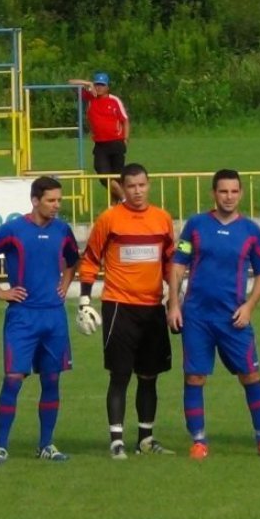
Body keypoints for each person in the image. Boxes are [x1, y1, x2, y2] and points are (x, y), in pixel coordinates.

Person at [167, 169, 260, 459]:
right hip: (197, 318)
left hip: (234, 319)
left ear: (240, 194)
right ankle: (199, 441)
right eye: (223, 191)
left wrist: (249, 306)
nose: (228, 197)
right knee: (195, 378)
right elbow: (178, 265)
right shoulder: (196, 226)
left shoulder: (250, 231)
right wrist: (174, 304)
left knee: (251, 375)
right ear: (213, 194)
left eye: (233, 191)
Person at [0, 177, 79, 465]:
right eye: (51, 200)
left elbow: (73, 261)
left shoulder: (62, 231)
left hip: (54, 317)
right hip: (22, 317)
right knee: (13, 380)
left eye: (59, 200)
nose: (56, 205)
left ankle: (46, 445)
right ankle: (0, 446)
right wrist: (0, 291)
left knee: (51, 379)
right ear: (35, 200)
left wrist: (65, 283)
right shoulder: (14, 230)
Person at [78, 163, 175, 459]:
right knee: (119, 375)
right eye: (131, 186)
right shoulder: (109, 219)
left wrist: (174, 300)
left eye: (142, 185)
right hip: (119, 306)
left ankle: (146, 438)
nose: (137, 191)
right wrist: (84, 300)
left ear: (149, 185)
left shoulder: (162, 219)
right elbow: (91, 259)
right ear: (122, 187)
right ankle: (116, 440)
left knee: (149, 376)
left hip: (153, 308)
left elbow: (170, 262)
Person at [68, 72, 130, 202]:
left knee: (116, 178)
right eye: (97, 85)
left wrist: (125, 139)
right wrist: (88, 84)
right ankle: (124, 199)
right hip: (100, 145)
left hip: (116, 143)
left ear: (107, 87)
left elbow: (125, 120)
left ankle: (115, 207)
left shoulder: (114, 100)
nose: (99, 88)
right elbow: (71, 83)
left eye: (102, 85)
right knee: (103, 176)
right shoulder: (90, 98)